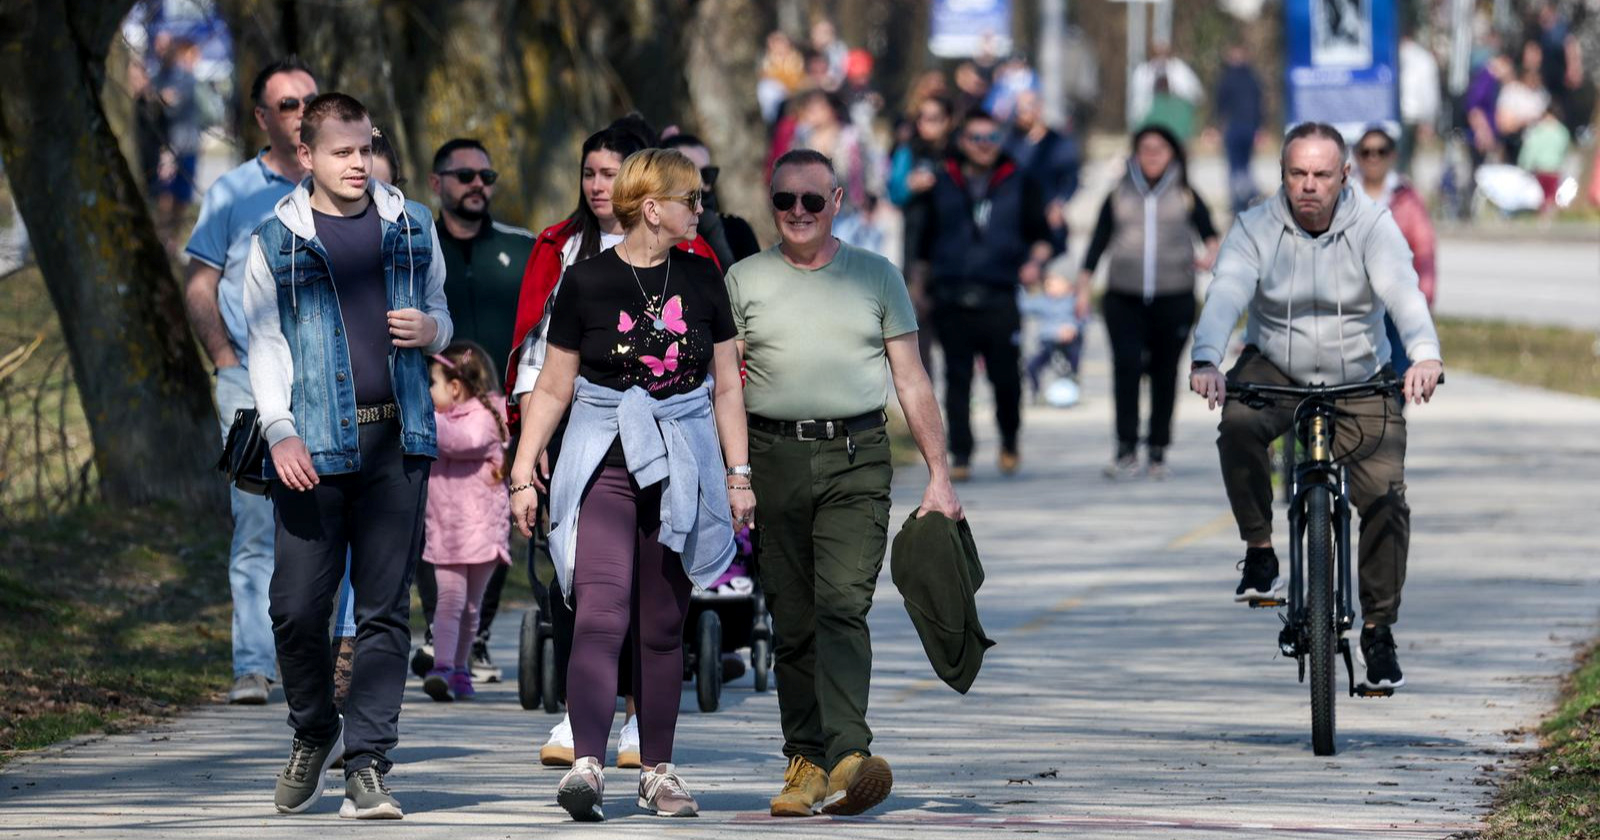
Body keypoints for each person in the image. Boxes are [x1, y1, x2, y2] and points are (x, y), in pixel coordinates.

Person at [507, 148, 751, 821]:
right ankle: (587, 763)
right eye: (691, 199)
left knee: (665, 622)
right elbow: (554, 386)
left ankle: (657, 771)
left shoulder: (704, 279)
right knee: (601, 608)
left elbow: (727, 385)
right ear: (653, 207)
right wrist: (523, 470)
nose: (699, 210)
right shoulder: (585, 281)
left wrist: (738, 475)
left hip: (683, 459)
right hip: (604, 459)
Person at [726, 148, 963, 818]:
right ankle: (805, 764)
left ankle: (850, 754)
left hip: (857, 455)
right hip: (773, 457)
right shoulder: (743, 281)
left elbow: (912, 380)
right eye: (784, 201)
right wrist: (734, 473)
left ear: (836, 201)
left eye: (811, 200)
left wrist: (939, 475)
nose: (797, 213)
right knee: (793, 620)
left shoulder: (876, 276)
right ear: (770, 204)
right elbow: (722, 388)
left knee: (841, 603)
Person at [244, 92, 452, 819]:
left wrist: (430, 328)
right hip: (311, 446)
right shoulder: (277, 239)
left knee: (385, 612)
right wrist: (278, 428)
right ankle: (313, 729)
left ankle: (368, 766)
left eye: (365, 148)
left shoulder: (412, 224)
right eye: (341, 151)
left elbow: (442, 315)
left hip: (397, 440)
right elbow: (264, 346)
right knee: (296, 610)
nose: (358, 162)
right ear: (306, 156)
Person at [1189, 122, 1444, 693]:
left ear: (1345, 175)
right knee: (1238, 426)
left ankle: (1378, 627)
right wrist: (1206, 358)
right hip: (1275, 366)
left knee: (1384, 495)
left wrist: (1424, 355)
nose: (1308, 185)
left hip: (1361, 374)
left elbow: (1404, 292)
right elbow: (1226, 290)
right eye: (1297, 173)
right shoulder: (1255, 227)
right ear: (1282, 175)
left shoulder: (1374, 225)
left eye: (1321, 174)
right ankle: (1259, 549)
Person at [182, 55, 319, 707]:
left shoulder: (343, 186)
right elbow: (200, 283)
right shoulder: (234, 191)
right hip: (248, 383)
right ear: (262, 117)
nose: (299, 115)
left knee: (330, 518)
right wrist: (225, 360)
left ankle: (323, 657)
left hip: (327, 383)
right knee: (257, 520)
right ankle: (254, 665)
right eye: (286, 105)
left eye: (308, 103)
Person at [411, 137, 536, 684]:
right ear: (437, 183)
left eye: (487, 177)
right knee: (430, 525)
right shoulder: (415, 245)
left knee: (491, 528)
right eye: (465, 176)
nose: (477, 186)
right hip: (429, 411)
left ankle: (475, 640)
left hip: (502, 420)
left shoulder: (523, 249)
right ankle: (442, 632)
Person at [916, 110, 1055, 481]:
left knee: (1006, 379)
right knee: (957, 381)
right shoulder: (942, 182)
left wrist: (1034, 264)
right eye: (976, 138)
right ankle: (961, 453)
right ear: (963, 142)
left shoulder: (1021, 181)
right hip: (952, 294)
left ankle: (1009, 439)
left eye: (991, 138)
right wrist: (918, 288)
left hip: (1000, 294)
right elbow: (923, 243)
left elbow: (1044, 236)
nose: (984, 146)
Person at [1078, 125, 1219, 480]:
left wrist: (1210, 257)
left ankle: (1157, 450)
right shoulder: (1119, 193)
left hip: (1174, 296)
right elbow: (1097, 242)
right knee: (1126, 367)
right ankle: (1126, 449)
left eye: (1160, 149)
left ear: (1172, 153)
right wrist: (1082, 288)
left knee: (1164, 372)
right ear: (1135, 154)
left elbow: (1211, 236)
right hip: (1123, 297)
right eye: (1145, 149)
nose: (1152, 155)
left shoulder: (1186, 193)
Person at [417, 341, 511, 702]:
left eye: (433, 384)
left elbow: (461, 441)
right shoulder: (444, 420)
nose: (428, 392)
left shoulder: (484, 418)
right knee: (450, 601)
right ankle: (443, 666)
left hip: (483, 532)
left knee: (471, 608)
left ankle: (459, 668)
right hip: (447, 532)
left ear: (455, 388)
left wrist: (422, 413)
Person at [1353, 126, 1438, 381]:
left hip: (1395, 303)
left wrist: (1425, 299)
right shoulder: (1345, 195)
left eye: (1381, 151)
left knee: (1397, 377)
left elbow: (1424, 251)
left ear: (1392, 155)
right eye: (1366, 152)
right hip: (1356, 304)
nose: (1374, 158)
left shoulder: (1406, 197)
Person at [660, 133, 761, 266]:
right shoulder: (658, 238)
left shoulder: (736, 230)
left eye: (707, 174)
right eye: (688, 175)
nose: (700, 184)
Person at [1213, 43, 1264, 214]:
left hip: (1238, 127)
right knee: (1243, 165)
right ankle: (1248, 197)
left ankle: (1239, 200)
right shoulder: (1253, 78)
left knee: (1237, 165)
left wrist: (1218, 125)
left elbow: (1220, 105)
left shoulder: (1227, 78)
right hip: (1245, 126)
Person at [1021, 263, 1084, 399]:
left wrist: (1072, 327)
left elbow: (1083, 319)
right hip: (1047, 343)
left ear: (1068, 285)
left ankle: (1071, 390)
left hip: (1067, 343)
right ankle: (1036, 392)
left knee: (1069, 365)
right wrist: (1021, 286)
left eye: (1055, 282)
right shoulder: (1043, 301)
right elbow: (1023, 306)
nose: (1049, 285)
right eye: (1047, 283)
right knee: (1031, 366)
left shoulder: (1074, 302)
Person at [1129, 41, 1203, 131]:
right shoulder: (1143, 71)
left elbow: (1194, 92)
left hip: (1174, 114)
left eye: (1163, 52)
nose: (1160, 57)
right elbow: (1138, 95)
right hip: (1150, 115)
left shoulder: (1180, 70)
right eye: (1157, 53)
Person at [1397, 31, 1441, 176]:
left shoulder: (1391, 53)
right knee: (1407, 160)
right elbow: (1429, 92)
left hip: (1396, 115)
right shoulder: (1424, 58)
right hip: (1414, 116)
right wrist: (1429, 120)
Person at [1518, 104, 1573, 216]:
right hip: (1553, 169)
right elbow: (1565, 151)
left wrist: (1524, 165)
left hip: (1541, 169)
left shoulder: (1537, 131)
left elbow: (1529, 150)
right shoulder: (1563, 132)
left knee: (1541, 195)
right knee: (1550, 194)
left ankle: (1543, 215)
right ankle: (1548, 215)